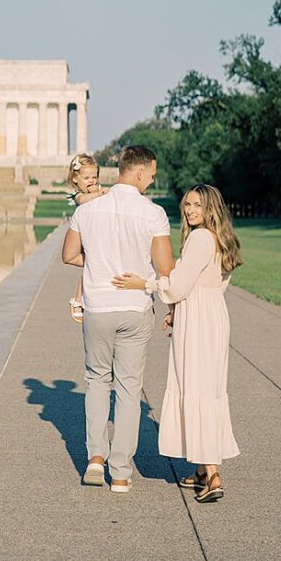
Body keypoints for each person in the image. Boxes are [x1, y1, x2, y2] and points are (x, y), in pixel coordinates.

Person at [111, 184, 241, 503]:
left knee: (196, 388)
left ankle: (212, 475)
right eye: (187, 205)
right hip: (212, 314)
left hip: (198, 319)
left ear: (211, 207)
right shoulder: (218, 238)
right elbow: (215, 282)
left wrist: (144, 283)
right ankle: (201, 469)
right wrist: (178, 311)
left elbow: (179, 285)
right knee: (206, 389)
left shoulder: (199, 238)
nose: (189, 210)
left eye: (197, 205)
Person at [62, 145, 173, 492]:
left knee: (97, 380)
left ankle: (95, 458)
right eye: (152, 173)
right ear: (139, 172)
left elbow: (69, 255)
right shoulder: (153, 214)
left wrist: (96, 265)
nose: (152, 179)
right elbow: (166, 270)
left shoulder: (89, 210)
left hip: (98, 306)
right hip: (135, 307)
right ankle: (121, 472)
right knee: (128, 388)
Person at [65, 154, 107, 322]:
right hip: (84, 234)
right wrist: (99, 193)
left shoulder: (98, 190)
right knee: (90, 264)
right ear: (76, 179)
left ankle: (91, 295)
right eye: (86, 177)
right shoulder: (77, 194)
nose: (91, 180)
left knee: (95, 264)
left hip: (97, 232)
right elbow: (83, 201)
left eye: (94, 177)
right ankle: (77, 299)